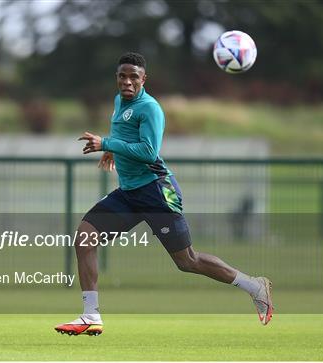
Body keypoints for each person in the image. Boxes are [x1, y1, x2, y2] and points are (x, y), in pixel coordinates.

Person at [55, 52, 273, 336]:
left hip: (157, 192)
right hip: (129, 193)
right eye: (123, 76)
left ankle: (254, 286)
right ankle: (90, 315)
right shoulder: (119, 101)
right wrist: (112, 150)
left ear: (144, 79)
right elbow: (125, 132)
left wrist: (106, 142)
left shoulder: (150, 108)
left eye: (134, 76)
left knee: (187, 261)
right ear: (117, 78)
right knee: (85, 236)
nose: (128, 82)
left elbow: (148, 151)